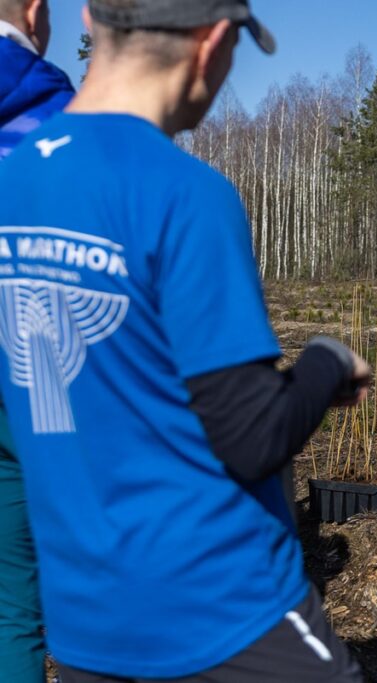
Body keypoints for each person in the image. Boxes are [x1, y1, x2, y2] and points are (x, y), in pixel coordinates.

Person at [0, 1, 369, 680]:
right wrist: (327, 360)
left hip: (87, 620)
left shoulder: (13, 179)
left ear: (89, 20)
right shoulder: (186, 192)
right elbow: (253, 434)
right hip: (221, 606)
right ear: (211, 44)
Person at [0, 1, 73, 680]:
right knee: (53, 587)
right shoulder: (58, 109)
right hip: (40, 363)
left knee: (12, 597)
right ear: (34, 11)